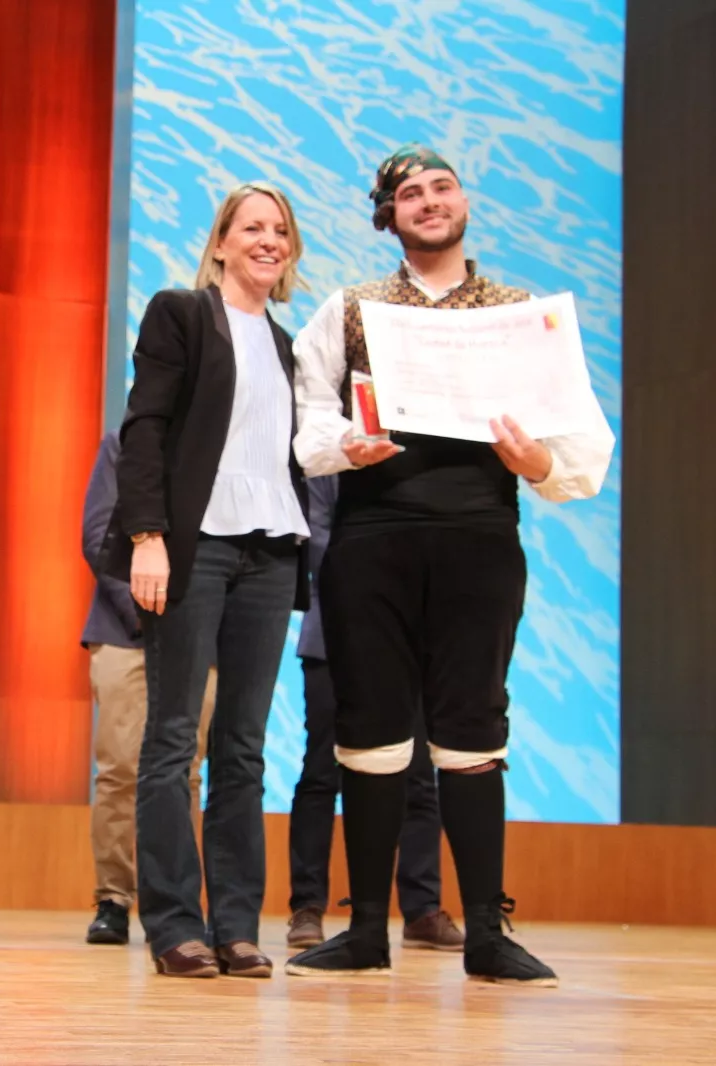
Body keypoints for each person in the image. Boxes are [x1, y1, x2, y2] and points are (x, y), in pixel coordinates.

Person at [284, 146, 614, 984]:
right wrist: (342, 448)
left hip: (477, 540)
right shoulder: (350, 308)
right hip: (371, 541)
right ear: (386, 215)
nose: (428, 202)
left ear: (463, 201)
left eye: (441, 188)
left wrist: (537, 462)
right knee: (370, 730)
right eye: (408, 194)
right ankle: (364, 928)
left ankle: (487, 934)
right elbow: (310, 414)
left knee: (473, 728)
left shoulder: (519, 314)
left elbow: (579, 443)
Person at [101, 181, 311, 979]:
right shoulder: (181, 314)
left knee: (244, 750)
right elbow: (144, 428)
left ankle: (234, 925)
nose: (268, 240)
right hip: (197, 546)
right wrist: (148, 538)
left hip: (272, 551)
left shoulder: (290, 345)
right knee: (171, 741)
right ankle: (173, 924)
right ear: (220, 241)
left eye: (280, 230)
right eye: (251, 227)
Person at [285, 474, 462, 953]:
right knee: (321, 772)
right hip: (332, 635)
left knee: (419, 776)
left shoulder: (418, 464)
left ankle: (422, 908)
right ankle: (307, 906)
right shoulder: (328, 463)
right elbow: (317, 541)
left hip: (414, 641)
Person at [80, 430, 218, 945]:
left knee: (188, 772)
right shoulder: (123, 441)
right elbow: (98, 536)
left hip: (198, 630)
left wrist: (188, 621)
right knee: (118, 768)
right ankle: (113, 898)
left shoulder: (221, 442)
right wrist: (146, 614)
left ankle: (180, 901)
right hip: (124, 631)